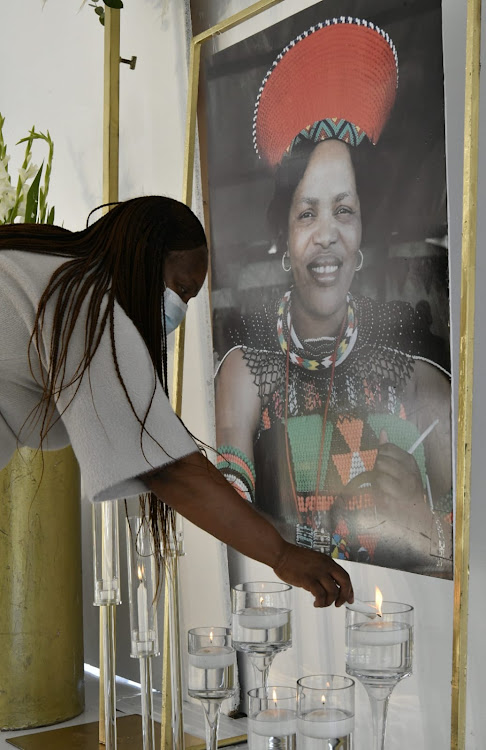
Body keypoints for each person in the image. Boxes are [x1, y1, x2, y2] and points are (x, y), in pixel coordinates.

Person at [0, 195, 353, 608]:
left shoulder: (47, 267)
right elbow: (170, 471)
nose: (178, 308)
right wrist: (282, 555)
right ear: (142, 259)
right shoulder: (86, 304)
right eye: (180, 289)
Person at [215, 18, 452, 577]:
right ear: (284, 239)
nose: (327, 233)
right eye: (307, 212)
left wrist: (422, 518)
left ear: (363, 232)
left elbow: (462, 556)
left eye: (344, 210)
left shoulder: (419, 378)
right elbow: (228, 517)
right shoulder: (246, 372)